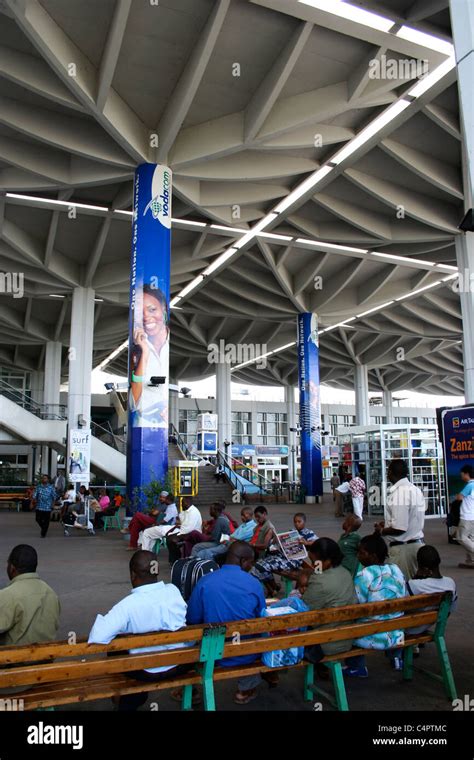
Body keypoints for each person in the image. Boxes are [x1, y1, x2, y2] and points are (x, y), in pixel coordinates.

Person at [88, 550, 189, 711]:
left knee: (116, 648)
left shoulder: (127, 605)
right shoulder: (173, 591)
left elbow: (97, 636)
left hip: (145, 671)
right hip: (178, 664)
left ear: (133, 575)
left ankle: (127, 699)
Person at [186, 541, 266, 705]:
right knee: (254, 636)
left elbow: (192, 618)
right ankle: (245, 690)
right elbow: (262, 619)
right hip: (247, 653)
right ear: (244, 561)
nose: (251, 567)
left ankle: (187, 689)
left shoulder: (205, 581)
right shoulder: (254, 584)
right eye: (251, 563)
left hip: (212, 654)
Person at [344, 533, 406, 678]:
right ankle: (396, 658)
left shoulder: (364, 575)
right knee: (393, 617)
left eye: (361, 553)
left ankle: (356, 667)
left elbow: (355, 604)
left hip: (370, 634)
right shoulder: (396, 569)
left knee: (349, 620)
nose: (358, 556)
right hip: (396, 634)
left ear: (373, 556)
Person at [302, 538, 357, 674]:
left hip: (327, 642)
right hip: (347, 636)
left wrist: (302, 591)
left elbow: (303, 610)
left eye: (315, 562)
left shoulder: (320, 582)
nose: (313, 565)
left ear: (328, 560)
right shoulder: (345, 572)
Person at [374, 458, 425, 580]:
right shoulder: (415, 490)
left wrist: (382, 530)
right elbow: (411, 518)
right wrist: (387, 523)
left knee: (403, 588)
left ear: (390, 472)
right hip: (416, 545)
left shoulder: (400, 493)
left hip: (403, 551)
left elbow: (399, 528)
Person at [0, 545, 60, 646]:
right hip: (47, 656)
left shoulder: (8, 594)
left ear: (12, 568)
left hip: (15, 659)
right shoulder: (51, 593)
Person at [129, 285, 169, 428]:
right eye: (141, 313)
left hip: (163, 427)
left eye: (152, 309)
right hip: (143, 426)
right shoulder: (138, 347)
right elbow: (134, 401)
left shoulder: (171, 345)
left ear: (163, 310)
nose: (147, 317)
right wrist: (144, 353)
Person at [251, 513, 317, 595]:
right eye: (295, 522)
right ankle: (273, 587)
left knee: (263, 566)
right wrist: (278, 543)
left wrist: (306, 543)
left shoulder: (308, 533)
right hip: (284, 556)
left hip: (294, 560)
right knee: (260, 563)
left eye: (299, 522)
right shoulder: (292, 531)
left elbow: (317, 542)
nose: (297, 524)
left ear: (304, 522)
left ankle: (272, 588)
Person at [406, 545, 457, 634]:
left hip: (408, 628)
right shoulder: (450, 584)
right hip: (428, 624)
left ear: (424, 568)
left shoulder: (414, 585)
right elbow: (450, 610)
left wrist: (416, 577)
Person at [166, 497, 203, 565]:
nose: (181, 505)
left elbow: (189, 528)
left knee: (172, 540)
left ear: (187, 504)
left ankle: (176, 559)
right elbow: (182, 521)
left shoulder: (193, 512)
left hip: (193, 534)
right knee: (168, 537)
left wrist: (179, 535)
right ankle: (174, 559)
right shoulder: (187, 510)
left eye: (182, 503)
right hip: (186, 531)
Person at [453, 464, 474, 568]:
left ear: (467, 474)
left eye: (462, 474)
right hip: (473, 516)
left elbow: (459, 497)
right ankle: (470, 561)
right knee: (471, 538)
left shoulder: (469, 485)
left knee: (461, 538)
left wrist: (457, 495)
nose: (461, 476)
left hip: (467, 516)